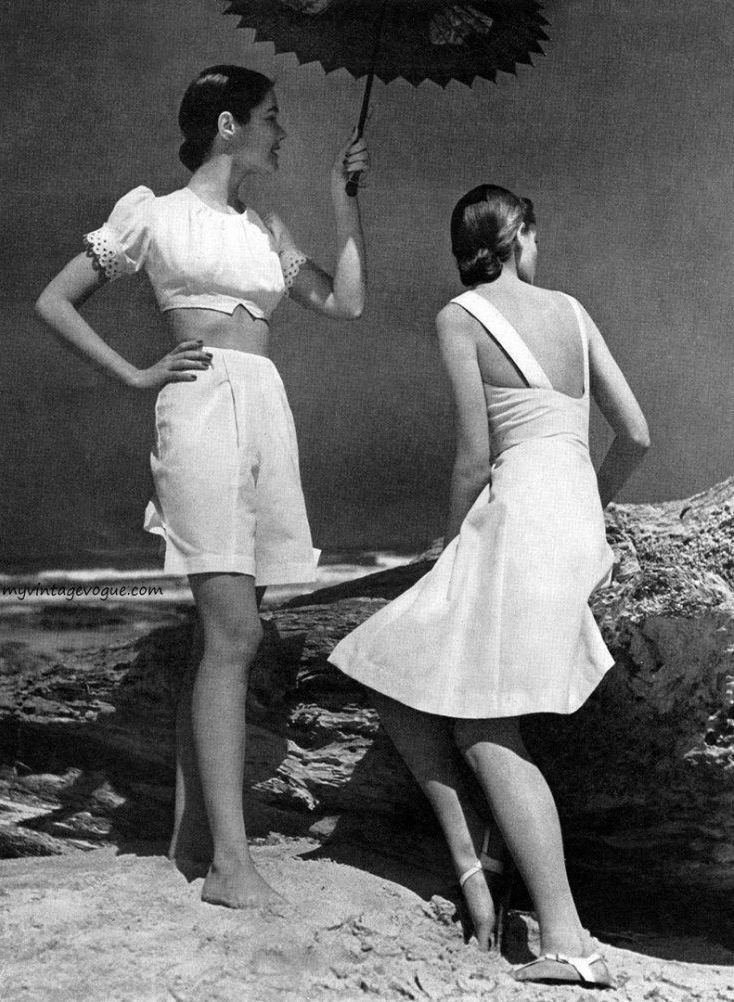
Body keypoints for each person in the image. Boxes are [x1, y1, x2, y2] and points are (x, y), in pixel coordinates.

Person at [36, 64, 368, 909]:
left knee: (216, 638)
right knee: (235, 632)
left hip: (264, 408)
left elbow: (346, 304)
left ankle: (193, 839)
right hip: (200, 407)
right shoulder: (153, 214)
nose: (281, 132)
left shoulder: (265, 226)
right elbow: (55, 301)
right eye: (271, 117)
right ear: (228, 124)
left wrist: (343, 206)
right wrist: (134, 374)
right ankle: (229, 864)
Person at [330, 185, 649, 986]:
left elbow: (474, 457)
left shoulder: (460, 317)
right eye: (534, 235)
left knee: (478, 725)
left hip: (515, 520)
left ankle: (564, 938)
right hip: (569, 521)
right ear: (519, 236)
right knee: (384, 662)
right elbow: (636, 435)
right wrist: (587, 508)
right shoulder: (570, 311)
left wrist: (449, 544)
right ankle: (477, 853)